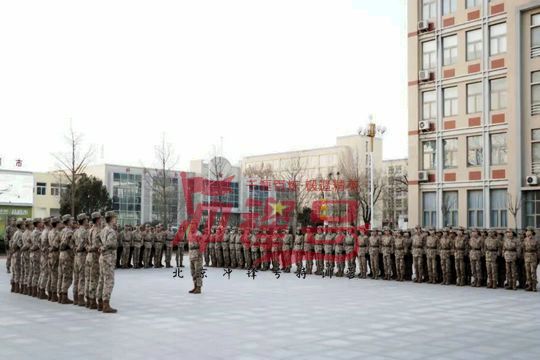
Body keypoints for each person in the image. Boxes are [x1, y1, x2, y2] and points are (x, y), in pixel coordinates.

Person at [99, 211, 118, 313]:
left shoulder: (103, 230)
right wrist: (104, 247)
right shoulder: (111, 231)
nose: (116, 219)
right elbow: (110, 243)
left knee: (102, 280)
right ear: (111, 219)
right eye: (115, 218)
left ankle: (100, 303)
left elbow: (98, 241)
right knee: (109, 280)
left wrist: (101, 247)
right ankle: (105, 304)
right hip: (108, 257)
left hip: (103, 257)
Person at [85, 212, 102, 309]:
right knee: (95, 279)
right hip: (95, 256)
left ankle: (88, 300)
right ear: (98, 219)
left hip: (89, 256)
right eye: (100, 218)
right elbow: (97, 245)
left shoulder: (90, 230)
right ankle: (93, 301)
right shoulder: (98, 230)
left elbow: (86, 244)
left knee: (89, 278)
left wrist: (88, 248)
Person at [73, 214, 89, 306]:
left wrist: (75, 249)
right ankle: (81, 298)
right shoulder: (84, 232)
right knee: (82, 277)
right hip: (82, 255)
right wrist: (79, 248)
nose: (87, 220)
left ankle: (75, 297)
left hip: (76, 256)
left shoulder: (76, 231)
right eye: (86, 219)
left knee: (76, 277)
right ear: (83, 220)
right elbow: (83, 243)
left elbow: (72, 242)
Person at [48, 217, 62, 302]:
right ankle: (53, 295)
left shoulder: (50, 232)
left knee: (51, 275)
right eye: (59, 223)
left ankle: (50, 294)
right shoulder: (57, 233)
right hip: (55, 254)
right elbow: (56, 245)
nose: (61, 224)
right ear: (57, 224)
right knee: (55, 276)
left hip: (51, 255)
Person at [38, 217, 51, 299]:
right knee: (45, 273)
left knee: (43, 273)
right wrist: (45, 249)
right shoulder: (47, 232)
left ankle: (40, 290)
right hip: (46, 255)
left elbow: (39, 242)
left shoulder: (43, 232)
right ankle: (42, 291)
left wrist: (42, 249)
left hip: (43, 255)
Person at [10, 219, 24, 293]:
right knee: (18, 270)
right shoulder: (20, 234)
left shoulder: (15, 233)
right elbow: (20, 244)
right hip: (18, 253)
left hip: (14, 253)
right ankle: (17, 288)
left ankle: (13, 286)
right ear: (21, 225)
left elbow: (11, 242)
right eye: (23, 224)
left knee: (14, 271)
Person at [188, 224, 203, 294]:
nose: (191, 227)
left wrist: (199, 254)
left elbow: (202, 245)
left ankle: (199, 288)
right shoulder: (190, 233)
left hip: (197, 255)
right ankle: (195, 286)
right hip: (191, 255)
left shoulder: (198, 234)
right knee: (192, 272)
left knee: (197, 272)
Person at [30, 218, 43, 297]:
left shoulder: (33, 232)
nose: (42, 223)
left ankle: (33, 290)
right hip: (37, 254)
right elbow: (38, 244)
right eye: (41, 222)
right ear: (37, 224)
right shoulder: (38, 233)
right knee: (37, 273)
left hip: (33, 254)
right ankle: (35, 291)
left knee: (34, 272)